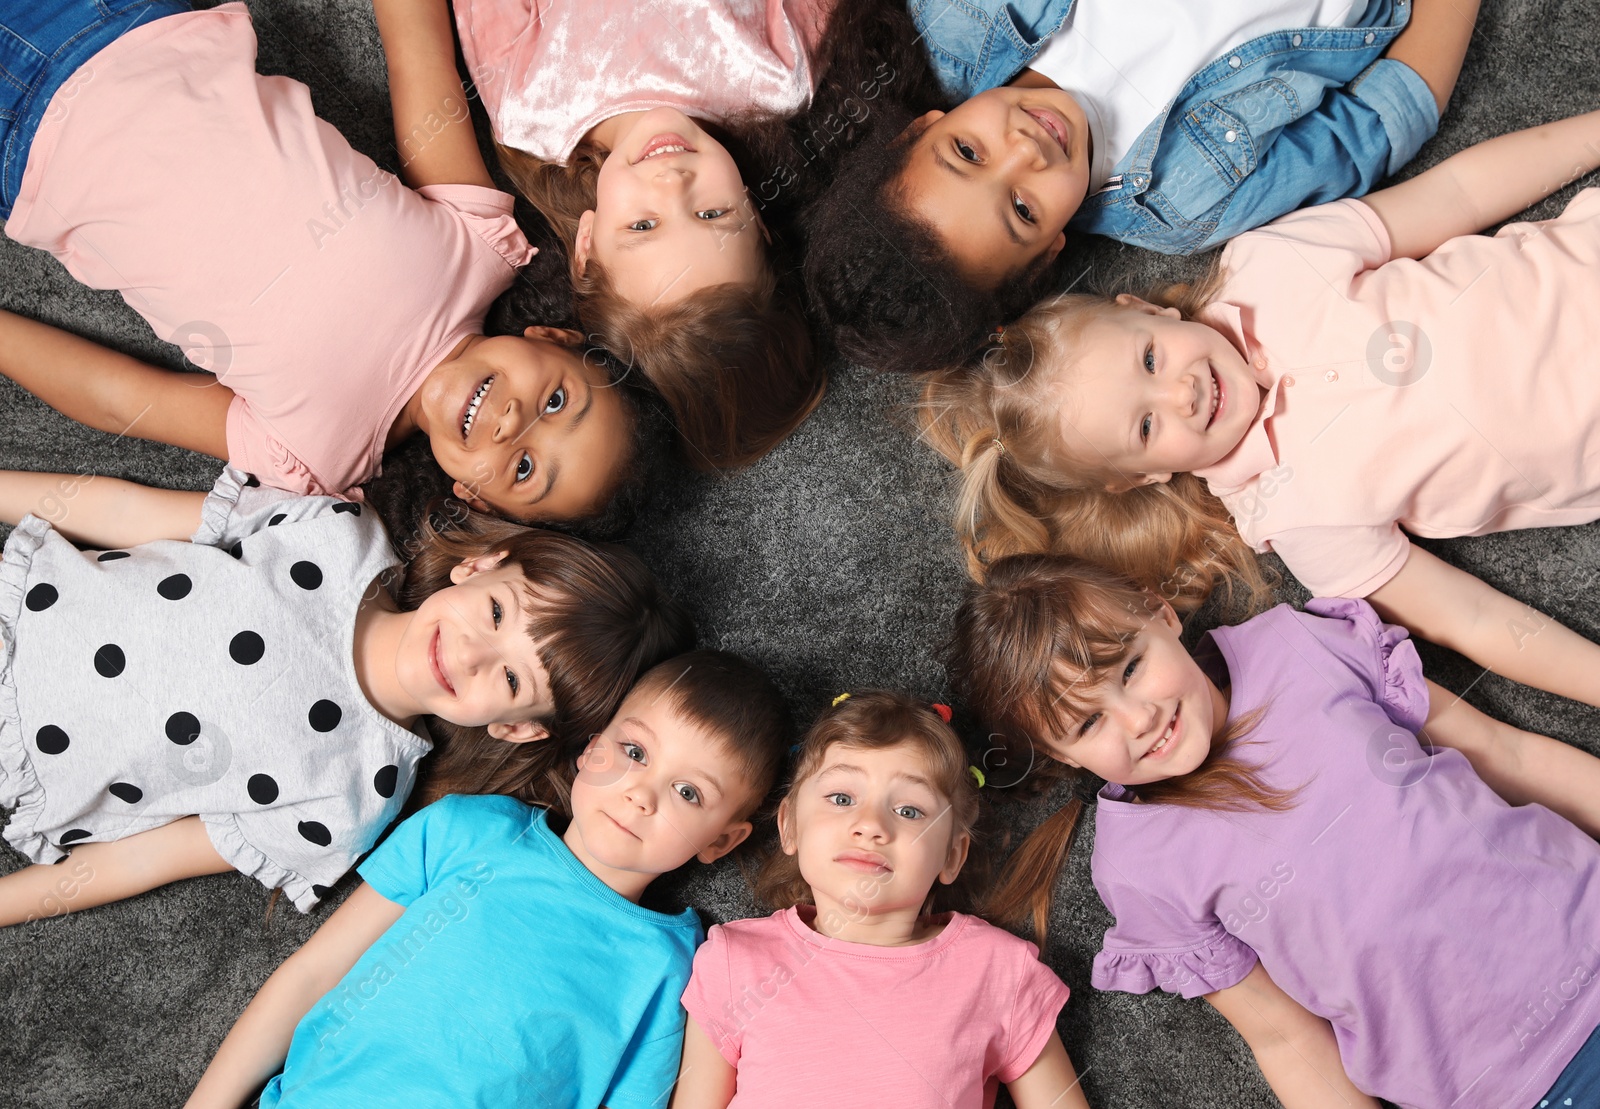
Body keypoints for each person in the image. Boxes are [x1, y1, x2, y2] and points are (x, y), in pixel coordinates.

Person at [924, 107, 1600, 713]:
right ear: (1142, 477)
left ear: (1146, 309)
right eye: (1146, 425)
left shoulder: (1268, 266)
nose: (1181, 393)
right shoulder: (1299, 519)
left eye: (1151, 360)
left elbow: (1459, 193)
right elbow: (1475, 618)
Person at [947, 553, 1600, 1109]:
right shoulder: (1140, 864)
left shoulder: (1299, 645)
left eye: (1130, 667)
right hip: (1519, 1085)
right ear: (1062, 755)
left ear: (1162, 615)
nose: (1138, 718)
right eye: (1087, 725)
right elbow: (1286, 1037)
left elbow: (1506, 754)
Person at [0, 0, 642, 527]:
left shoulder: (312, 462)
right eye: (557, 401)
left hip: (28, 163)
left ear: (474, 499)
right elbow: (417, 64)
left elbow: (124, 400)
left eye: (525, 471)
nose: (514, 424)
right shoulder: (483, 248)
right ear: (554, 338)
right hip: (120, 31)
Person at [0, 465, 692, 924]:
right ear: (480, 566)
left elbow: (147, 856)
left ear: (516, 729)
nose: (472, 655)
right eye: (497, 615)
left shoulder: (354, 799)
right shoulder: (336, 536)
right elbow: (132, 512)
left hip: (24, 764)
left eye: (512, 680)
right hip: (21, 612)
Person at [185, 650, 790, 1109]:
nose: (640, 794)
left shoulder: (674, 964)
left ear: (720, 840)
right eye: (634, 753)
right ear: (591, 747)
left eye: (688, 793)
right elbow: (313, 973)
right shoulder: (467, 831)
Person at [802, 0, 1478, 374]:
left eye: (967, 151)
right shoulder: (1186, 204)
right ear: (1048, 254)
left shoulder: (958, 16)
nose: (1025, 151)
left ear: (917, 128)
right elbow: (1387, 117)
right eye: (1021, 208)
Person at [453, 0, 839, 468]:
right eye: (713, 213)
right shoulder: (778, 75)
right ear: (756, 216)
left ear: (587, 244)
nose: (673, 183)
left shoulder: (530, 108)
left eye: (643, 226)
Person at [671, 690, 1090, 1109]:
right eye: (841, 799)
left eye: (909, 811)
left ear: (952, 855)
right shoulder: (735, 961)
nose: (870, 825)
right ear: (790, 826)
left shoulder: (1000, 973)